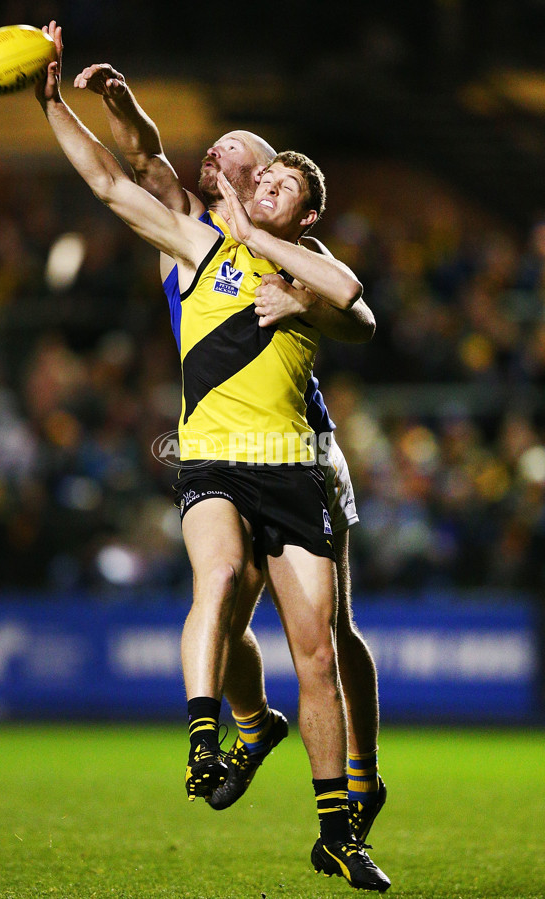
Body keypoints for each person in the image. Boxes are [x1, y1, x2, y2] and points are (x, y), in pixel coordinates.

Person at [35, 29, 390, 892]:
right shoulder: (197, 234)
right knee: (221, 591)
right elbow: (130, 168)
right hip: (214, 450)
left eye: (258, 164)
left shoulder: (292, 260)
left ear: (294, 200)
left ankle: (352, 785)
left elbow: (356, 307)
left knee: (323, 638)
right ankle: (232, 726)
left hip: (299, 448)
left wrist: (265, 243)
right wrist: (79, 99)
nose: (232, 161)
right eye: (236, 161)